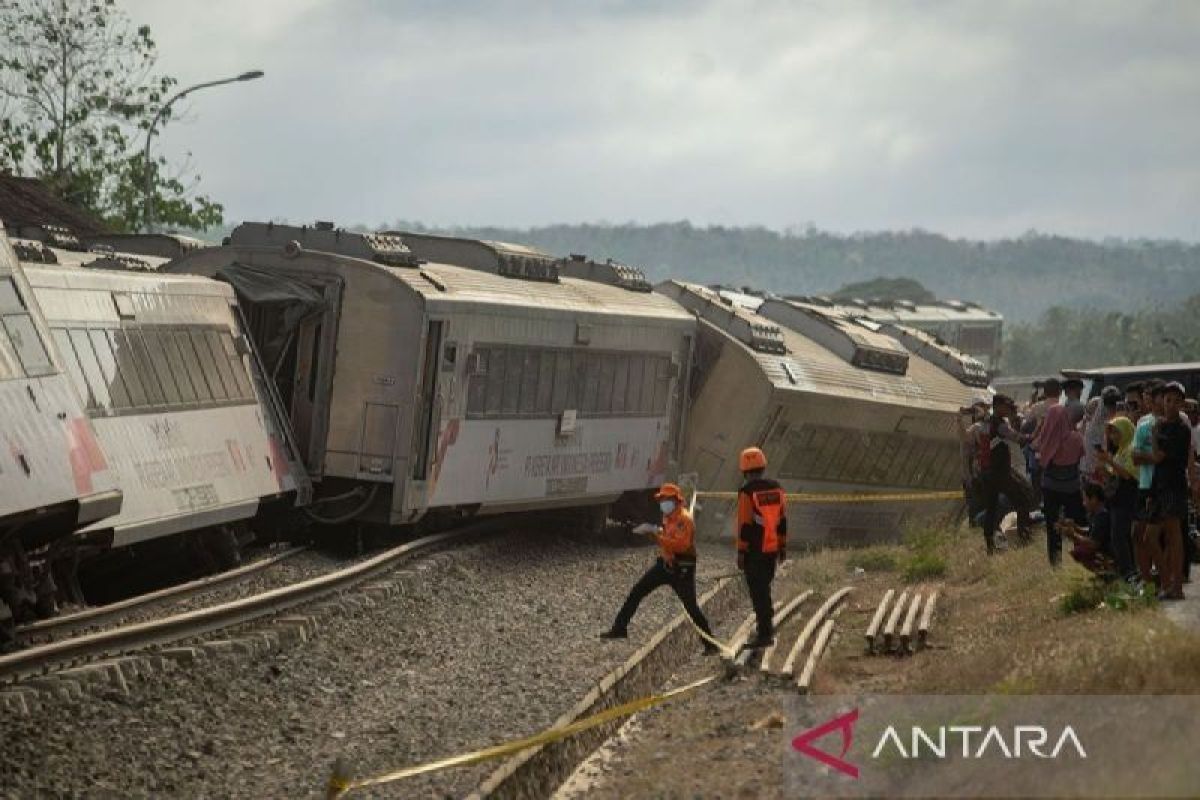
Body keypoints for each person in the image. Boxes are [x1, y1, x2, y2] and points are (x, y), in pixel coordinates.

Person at [601, 483, 717, 651]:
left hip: (682, 568)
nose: (662, 502)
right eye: (661, 499)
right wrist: (655, 530)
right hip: (665, 565)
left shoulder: (684, 519)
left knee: (691, 608)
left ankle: (711, 644)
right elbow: (668, 537)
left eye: (666, 499)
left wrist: (655, 535)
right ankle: (619, 628)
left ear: (676, 500)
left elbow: (681, 546)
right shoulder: (668, 517)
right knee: (637, 591)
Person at [967, 394, 1034, 554]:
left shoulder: (988, 421)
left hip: (987, 472)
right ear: (998, 406)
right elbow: (1018, 438)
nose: (1008, 409)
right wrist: (1035, 434)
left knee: (991, 507)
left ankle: (990, 544)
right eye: (1006, 406)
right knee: (1023, 499)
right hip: (1000, 472)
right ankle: (1024, 537)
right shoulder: (999, 424)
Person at [736, 447, 787, 649]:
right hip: (772, 549)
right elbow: (782, 520)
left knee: (759, 593)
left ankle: (765, 635)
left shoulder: (747, 493)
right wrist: (783, 547)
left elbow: (745, 526)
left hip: (755, 551)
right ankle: (766, 629)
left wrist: (741, 552)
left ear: (744, 470)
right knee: (764, 589)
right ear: (763, 466)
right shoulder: (777, 489)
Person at [1146, 382, 1192, 600]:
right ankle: (1166, 580)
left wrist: (1154, 436)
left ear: (1182, 403)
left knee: (1174, 537)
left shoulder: (1181, 429)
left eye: (1176, 401)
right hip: (1160, 485)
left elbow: (1158, 456)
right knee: (1149, 537)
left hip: (1174, 486)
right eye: (1167, 400)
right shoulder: (1162, 425)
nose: (1171, 405)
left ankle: (1177, 587)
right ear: (1162, 402)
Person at [1034, 404, 1087, 566]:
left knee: (1053, 525)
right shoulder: (1076, 437)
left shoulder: (1044, 439)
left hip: (1050, 488)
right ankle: (1083, 558)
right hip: (1072, 488)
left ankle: (1055, 562)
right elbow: (1080, 456)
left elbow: (1038, 458)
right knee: (1078, 524)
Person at [1096, 416, 1139, 584]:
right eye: (1111, 433)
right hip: (1117, 498)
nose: (1113, 436)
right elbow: (1113, 476)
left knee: (1119, 536)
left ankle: (1129, 571)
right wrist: (1103, 468)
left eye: (1116, 432)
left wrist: (1109, 462)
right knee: (1119, 536)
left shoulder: (1130, 449)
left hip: (1127, 497)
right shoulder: (1120, 451)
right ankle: (1127, 570)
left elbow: (1127, 474)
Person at [1132, 380, 1164, 587]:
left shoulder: (1176, 422)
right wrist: (1154, 457)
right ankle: (1146, 578)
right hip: (1144, 484)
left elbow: (1169, 457)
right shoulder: (1143, 424)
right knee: (1138, 534)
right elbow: (1135, 457)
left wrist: (1152, 457)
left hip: (1164, 486)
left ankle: (1165, 577)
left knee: (1160, 536)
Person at [1058, 483, 1118, 577]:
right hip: (1102, 549)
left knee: (1079, 552)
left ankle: (1107, 572)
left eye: (1085, 500)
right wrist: (1075, 527)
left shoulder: (1102, 517)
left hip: (1108, 552)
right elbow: (1090, 530)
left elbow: (1094, 543)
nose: (1083, 504)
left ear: (1093, 499)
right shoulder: (1097, 514)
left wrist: (1073, 535)